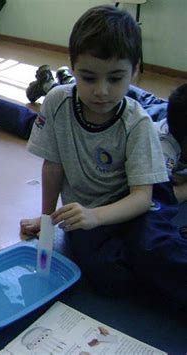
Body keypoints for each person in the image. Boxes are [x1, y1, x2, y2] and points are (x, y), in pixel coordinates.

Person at [20, 4, 187, 308]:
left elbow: (141, 196)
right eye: (88, 77)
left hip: (139, 201)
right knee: (106, 275)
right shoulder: (58, 101)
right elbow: (53, 166)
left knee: (152, 248)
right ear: (72, 69)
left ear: (135, 72)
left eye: (115, 78)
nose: (101, 91)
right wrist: (47, 220)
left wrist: (96, 216)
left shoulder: (137, 123)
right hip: (91, 209)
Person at [0, 77, 187, 204]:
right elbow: (159, 198)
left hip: (155, 107)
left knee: (93, 98)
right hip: (152, 116)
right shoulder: (163, 145)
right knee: (48, 125)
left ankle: (55, 83)